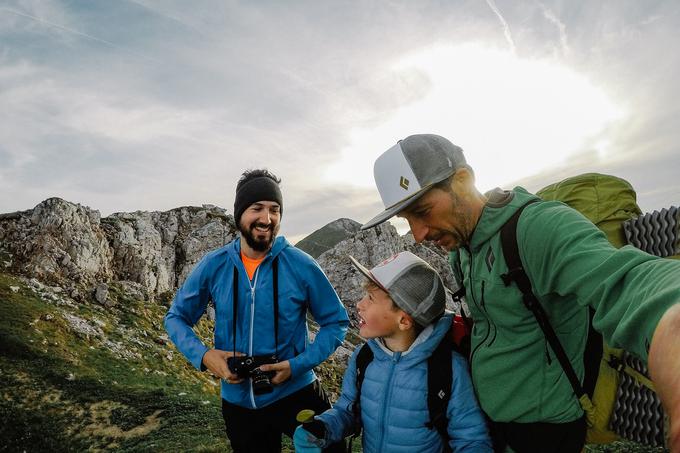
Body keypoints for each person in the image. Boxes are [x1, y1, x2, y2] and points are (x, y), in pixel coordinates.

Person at [359, 134, 680, 453]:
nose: (417, 234)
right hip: (494, 425)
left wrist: (672, 323)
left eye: (424, 211)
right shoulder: (461, 249)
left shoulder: (537, 228)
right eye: (407, 219)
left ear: (462, 180)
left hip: (545, 432)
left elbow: (627, 280)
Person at [164, 169, 349, 453]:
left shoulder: (301, 264)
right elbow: (176, 317)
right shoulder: (214, 266)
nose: (267, 219)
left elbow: (336, 322)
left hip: (297, 391)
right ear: (240, 214)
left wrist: (297, 365)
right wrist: (203, 356)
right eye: (257, 208)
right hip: (239, 403)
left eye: (275, 210)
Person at [293, 251, 493, 453]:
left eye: (370, 298)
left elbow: (471, 440)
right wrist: (323, 428)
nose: (359, 304)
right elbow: (348, 412)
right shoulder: (364, 357)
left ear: (404, 321)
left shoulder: (448, 369)